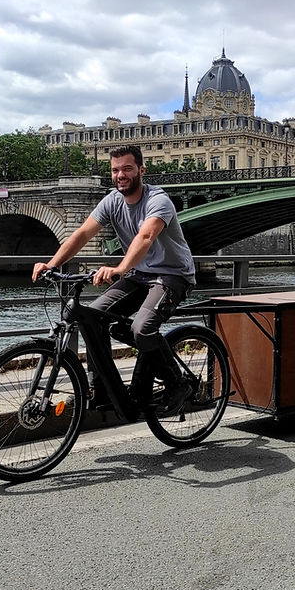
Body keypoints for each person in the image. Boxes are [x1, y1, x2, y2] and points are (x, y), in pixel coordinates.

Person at [32, 144, 197, 412]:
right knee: (92, 318)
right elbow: (81, 234)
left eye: (127, 169)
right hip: (139, 275)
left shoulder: (158, 200)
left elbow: (146, 236)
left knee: (142, 329)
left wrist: (120, 268)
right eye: (115, 170)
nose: (121, 175)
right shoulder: (112, 200)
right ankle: (103, 390)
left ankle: (177, 383)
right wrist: (51, 263)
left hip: (171, 275)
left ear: (141, 170)